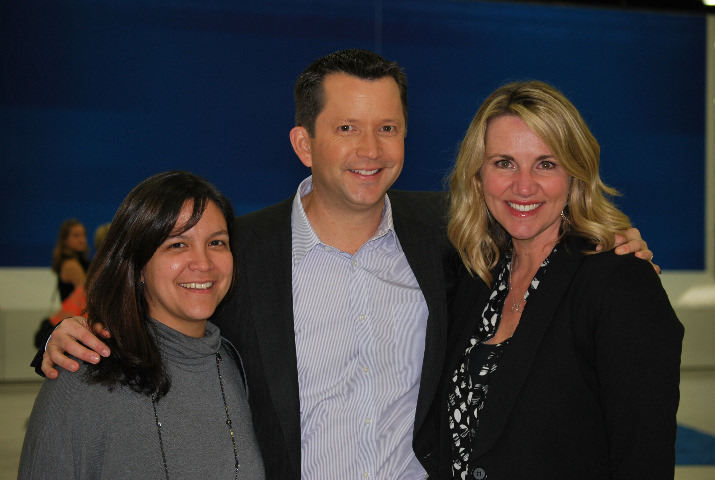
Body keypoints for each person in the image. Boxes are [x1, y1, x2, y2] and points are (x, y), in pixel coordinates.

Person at [35, 51, 654, 479]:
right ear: (304, 143)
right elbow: (165, 310)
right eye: (348, 127)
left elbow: (538, 212)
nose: (371, 150)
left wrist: (616, 238)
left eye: (389, 127)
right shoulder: (241, 255)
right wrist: (72, 335)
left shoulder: (450, 238)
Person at [414, 81, 683, 479]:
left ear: (575, 175)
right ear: (478, 175)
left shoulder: (619, 283)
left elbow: (643, 457)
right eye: (504, 162)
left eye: (546, 164)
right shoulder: (476, 275)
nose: (524, 186)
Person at [20, 170, 265, 479]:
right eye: (177, 245)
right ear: (136, 266)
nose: (203, 263)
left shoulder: (234, 364)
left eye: (217, 242)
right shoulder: (85, 376)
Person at [51, 218, 90, 303]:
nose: (82, 240)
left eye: (84, 235)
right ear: (65, 240)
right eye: (76, 236)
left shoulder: (80, 261)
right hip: (75, 314)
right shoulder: (70, 264)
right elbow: (86, 295)